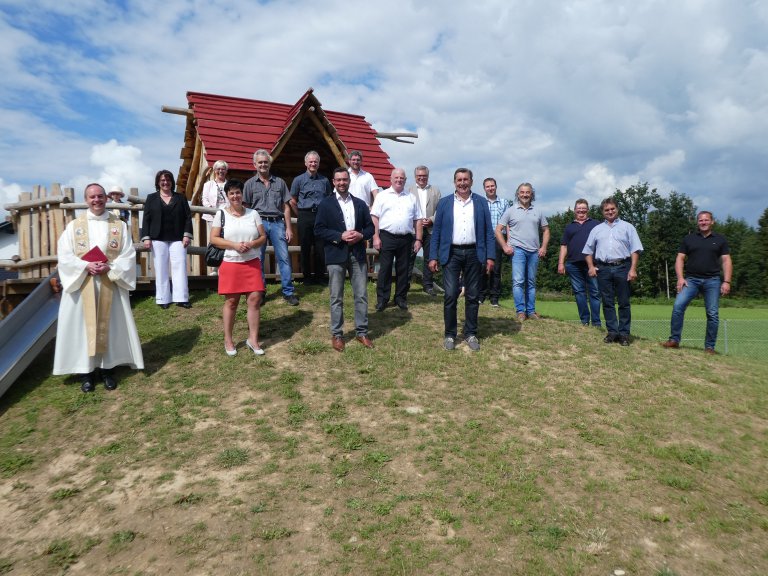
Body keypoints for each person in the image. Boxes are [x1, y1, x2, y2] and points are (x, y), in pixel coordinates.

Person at [53, 183, 144, 392]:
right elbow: (65, 255)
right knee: (83, 328)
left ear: (106, 198)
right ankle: (86, 372)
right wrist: (86, 265)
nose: (96, 200)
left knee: (109, 325)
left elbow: (128, 254)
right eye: (92, 197)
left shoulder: (118, 225)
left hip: (109, 281)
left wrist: (109, 267)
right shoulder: (75, 226)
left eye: (100, 196)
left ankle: (107, 369)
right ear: (86, 200)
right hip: (83, 283)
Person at [429, 168, 495, 352]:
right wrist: (433, 256)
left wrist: (490, 256)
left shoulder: (481, 203)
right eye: (459, 180)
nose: (462, 183)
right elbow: (437, 233)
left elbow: (489, 232)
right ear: (454, 182)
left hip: (475, 253)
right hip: (451, 253)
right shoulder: (444, 203)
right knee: (450, 294)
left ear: (471, 181)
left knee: (473, 295)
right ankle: (450, 334)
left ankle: (470, 333)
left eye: (466, 179)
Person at [315, 167, 375, 352]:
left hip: (357, 254)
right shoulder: (326, 204)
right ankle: (337, 334)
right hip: (335, 254)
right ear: (333, 182)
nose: (342, 183)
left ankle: (362, 332)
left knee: (361, 295)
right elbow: (319, 229)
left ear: (349, 181)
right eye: (338, 180)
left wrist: (361, 235)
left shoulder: (359, 204)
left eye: (344, 180)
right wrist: (339, 235)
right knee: (336, 297)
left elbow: (370, 228)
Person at [210, 179, 268, 356]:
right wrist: (234, 245)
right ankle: (228, 340)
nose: (235, 196)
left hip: (252, 262)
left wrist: (252, 243)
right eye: (231, 193)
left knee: (255, 300)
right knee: (231, 302)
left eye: (238, 192)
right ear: (227, 196)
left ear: (242, 194)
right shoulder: (221, 214)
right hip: (230, 262)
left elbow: (263, 237)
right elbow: (214, 239)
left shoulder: (253, 214)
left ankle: (253, 339)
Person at [661, 211, 732, 354]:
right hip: (691, 280)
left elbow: (726, 260)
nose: (703, 222)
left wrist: (727, 281)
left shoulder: (720, 239)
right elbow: (680, 258)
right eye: (700, 220)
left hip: (712, 280)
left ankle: (709, 347)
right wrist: (680, 278)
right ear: (697, 222)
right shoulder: (689, 239)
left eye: (706, 220)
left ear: (712, 222)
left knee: (712, 313)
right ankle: (674, 340)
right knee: (678, 306)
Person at [583, 198, 644, 346]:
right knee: (608, 302)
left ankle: (624, 334)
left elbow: (635, 249)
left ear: (617, 209)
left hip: (623, 267)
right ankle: (612, 332)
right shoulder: (597, 229)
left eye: (612, 209)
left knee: (624, 302)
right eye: (606, 210)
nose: (610, 212)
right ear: (602, 212)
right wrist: (591, 266)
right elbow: (587, 250)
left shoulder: (628, 227)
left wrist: (633, 269)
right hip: (603, 269)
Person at [243, 149, 299, 306]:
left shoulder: (280, 182)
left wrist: (288, 228)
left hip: (277, 223)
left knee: (284, 258)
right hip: (257, 224)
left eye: (265, 162)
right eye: (260, 162)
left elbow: (286, 207)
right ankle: (260, 291)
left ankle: (288, 292)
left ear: (269, 163)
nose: (263, 165)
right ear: (255, 164)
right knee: (258, 258)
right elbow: (246, 208)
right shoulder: (249, 184)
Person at [495, 182, 550, 321]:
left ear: (532, 194)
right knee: (518, 281)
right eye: (522, 192)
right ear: (518, 194)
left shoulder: (538, 211)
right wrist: (504, 246)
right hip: (517, 250)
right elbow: (498, 230)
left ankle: (531, 311)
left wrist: (543, 247)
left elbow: (546, 230)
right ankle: (520, 311)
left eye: (528, 192)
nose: (525, 195)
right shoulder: (511, 210)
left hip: (534, 252)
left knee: (531, 282)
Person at [371, 168, 423, 311]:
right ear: (391, 179)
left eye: (402, 178)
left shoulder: (411, 197)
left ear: (405, 180)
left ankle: (400, 298)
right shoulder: (382, 196)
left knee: (404, 270)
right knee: (385, 269)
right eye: (397, 178)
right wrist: (375, 237)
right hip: (386, 237)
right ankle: (382, 299)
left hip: (406, 239)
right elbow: (374, 218)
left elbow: (418, 220)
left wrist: (418, 239)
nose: (399, 180)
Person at [141, 169, 193, 309]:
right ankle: (163, 298)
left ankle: (181, 298)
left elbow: (188, 218)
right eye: (162, 180)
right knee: (161, 268)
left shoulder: (180, 198)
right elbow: (146, 219)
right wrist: (146, 238)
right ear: (158, 182)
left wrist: (186, 235)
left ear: (172, 182)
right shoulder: (151, 198)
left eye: (168, 180)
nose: (165, 182)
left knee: (180, 266)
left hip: (178, 238)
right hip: (157, 238)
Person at [290, 151, 333, 285]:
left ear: (318, 164)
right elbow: (292, 200)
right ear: (306, 163)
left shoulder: (325, 181)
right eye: (311, 161)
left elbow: (328, 199)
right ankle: (307, 277)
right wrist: (300, 215)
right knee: (306, 247)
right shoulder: (298, 180)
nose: (313, 164)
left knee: (320, 248)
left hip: (320, 216)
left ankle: (320, 276)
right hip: (305, 215)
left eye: (315, 161)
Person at [557, 199, 602, 327]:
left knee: (595, 293)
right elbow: (564, 246)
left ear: (587, 210)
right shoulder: (569, 227)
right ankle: (584, 322)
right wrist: (561, 263)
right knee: (579, 293)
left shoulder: (596, 224)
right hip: (573, 264)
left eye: (584, 209)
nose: (581, 211)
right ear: (575, 210)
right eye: (579, 209)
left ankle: (596, 323)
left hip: (592, 265)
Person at [407, 165, 441, 296]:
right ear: (415, 176)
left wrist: (432, 219)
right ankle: (406, 283)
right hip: (413, 229)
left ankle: (428, 285)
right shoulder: (408, 190)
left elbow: (440, 210)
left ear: (428, 176)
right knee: (409, 257)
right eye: (419, 176)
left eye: (424, 176)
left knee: (429, 258)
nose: (421, 178)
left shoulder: (435, 191)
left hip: (430, 229)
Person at [480, 177, 508, 306]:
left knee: (496, 269)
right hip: (483, 238)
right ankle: (481, 295)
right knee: (482, 267)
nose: (490, 188)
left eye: (492, 186)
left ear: (496, 187)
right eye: (487, 186)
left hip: (498, 239)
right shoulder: (480, 202)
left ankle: (494, 298)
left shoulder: (504, 203)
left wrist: (509, 240)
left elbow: (509, 223)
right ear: (484, 188)